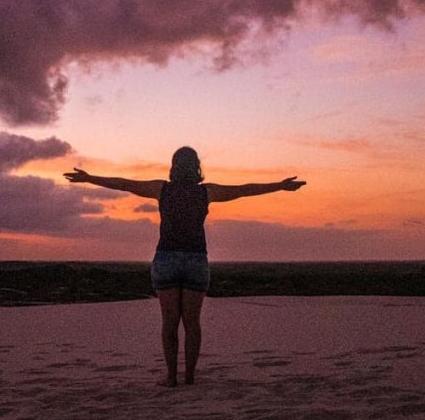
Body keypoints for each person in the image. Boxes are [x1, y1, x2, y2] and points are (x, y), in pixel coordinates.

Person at [64, 146, 305, 387]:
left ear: (173, 166)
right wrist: (280, 186)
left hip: (167, 259)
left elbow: (124, 184)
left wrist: (90, 178)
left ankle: (171, 377)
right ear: (197, 167)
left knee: (169, 322)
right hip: (196, 260)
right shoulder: (207, 192)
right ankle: (189, 376)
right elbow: (244, 190)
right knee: (192, 323)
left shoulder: (161, 188)